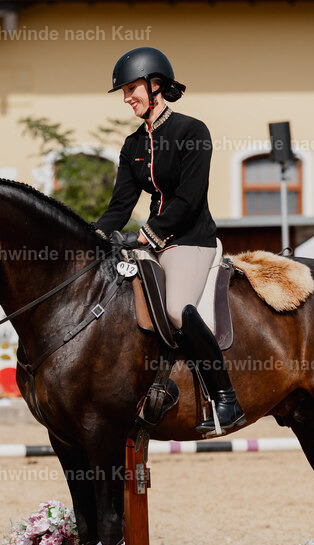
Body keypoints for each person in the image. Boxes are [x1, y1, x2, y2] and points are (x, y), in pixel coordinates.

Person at [91, 46, 245, 436]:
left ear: (155, 84)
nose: (127, 99)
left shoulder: (192, 131)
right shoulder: (132, 146)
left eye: (131, 90)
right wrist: (90, 236)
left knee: (177, 308)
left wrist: (150, 233)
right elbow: (120, 206)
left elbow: (190, 198)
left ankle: (226, 398)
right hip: (152, 241)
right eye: (125, 92)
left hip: (190, 239)